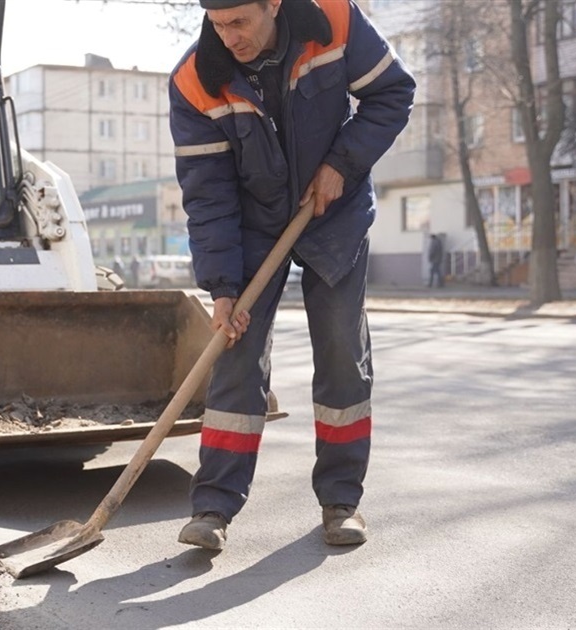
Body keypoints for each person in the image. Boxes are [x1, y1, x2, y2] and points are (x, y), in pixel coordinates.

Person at [169, 0, 415, 549]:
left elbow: (391, 94)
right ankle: (213, 508)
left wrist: (342, 166)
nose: (230, 37)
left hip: (333, 209)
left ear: (273, 4)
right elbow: (207, 196)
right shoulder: (195, 81)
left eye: (241, 22)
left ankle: (341, 500)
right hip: (254, 225)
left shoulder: (335, 22)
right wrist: (223, 287)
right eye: (217, 26)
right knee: (235, 352)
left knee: (340, 351)